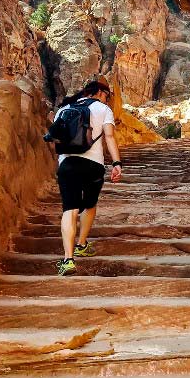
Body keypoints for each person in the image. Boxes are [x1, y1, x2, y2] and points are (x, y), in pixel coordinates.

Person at [51, 77, 122, 275]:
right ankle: (81, 244)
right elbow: (109, 137)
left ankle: (68, 259)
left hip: (67, 165)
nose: (107, 100)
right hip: (94, 165)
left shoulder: (63, 109)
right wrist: (117, 164)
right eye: (107, 96)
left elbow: (55, 138)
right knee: (89, 205)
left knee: (69, 210)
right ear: (101, 93)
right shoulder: (103, 109)